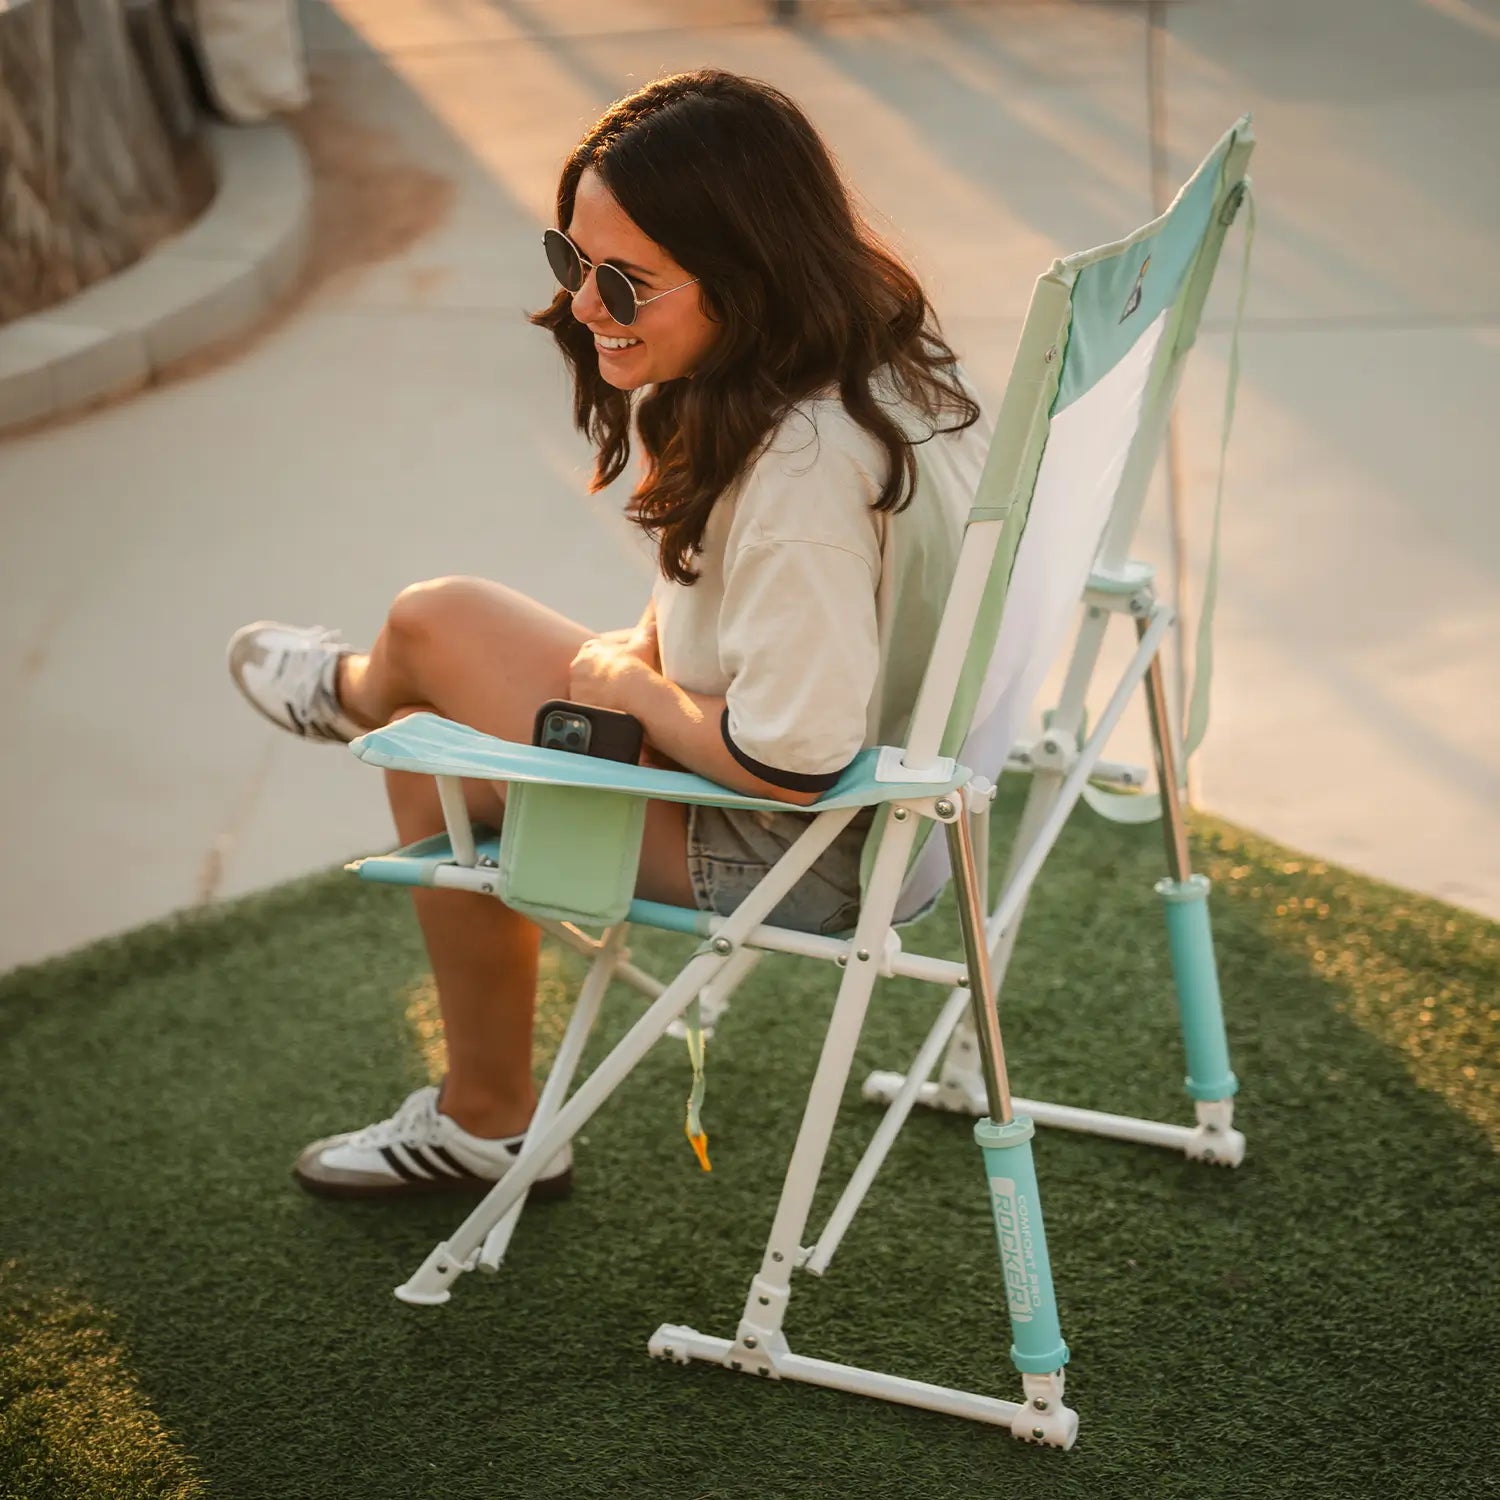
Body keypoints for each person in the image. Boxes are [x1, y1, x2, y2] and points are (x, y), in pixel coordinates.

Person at [227, 69, 990, 1200]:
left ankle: (354, 699)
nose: (586, 306)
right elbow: (790, 625)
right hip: (894, 812)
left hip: (795, 847)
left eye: (625, 281)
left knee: (431, 650)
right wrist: (643, 653)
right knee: (435, 713)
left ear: (747, 272)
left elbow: (794, 762)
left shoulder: (806, 472)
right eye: (571, 260)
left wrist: (634, 693)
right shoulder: (875, 362)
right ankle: (481, 1110)